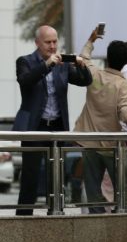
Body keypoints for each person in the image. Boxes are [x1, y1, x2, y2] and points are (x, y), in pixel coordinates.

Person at [74, 31, 127, 212]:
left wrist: (91, 40)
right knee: (124, 186)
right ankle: (123, 218)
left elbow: (84, 57)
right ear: (126, 60)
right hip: (110, 145)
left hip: (89, 142)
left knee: (92, 187)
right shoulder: (122, 85)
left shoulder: (94, 76)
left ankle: (97, 218)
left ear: (107, 57)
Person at [13, 25, 93, 215]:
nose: (52, 46)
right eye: (48, 42)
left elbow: (85, 81)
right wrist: (47, 64)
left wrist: (82, 66)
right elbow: (25, 81)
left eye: (55, 41)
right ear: (37, 43)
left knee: (56, 175)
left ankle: (55, 214)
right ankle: (23, 218)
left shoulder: (63, 65)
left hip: (56, 127)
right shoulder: (25, 61)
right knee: (30, 177)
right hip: (34, 127)